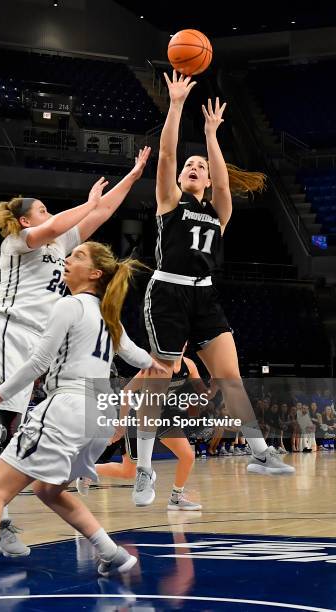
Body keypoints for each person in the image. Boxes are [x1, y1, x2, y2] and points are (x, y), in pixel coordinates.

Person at [0, 241, 166, 601]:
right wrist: (158, 364)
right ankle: (112, 554)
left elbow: (38, 363)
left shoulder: (70, 305)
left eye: (76, 256)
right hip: (97, 413)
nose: (67, 260)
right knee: (48, 489)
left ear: (94, 273)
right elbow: (137, 357)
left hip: (68, 407)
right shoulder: (107, 313)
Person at [0, 147, 151, 555]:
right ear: (25, 219)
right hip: (4, 335)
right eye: (44, 209)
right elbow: (70, 219)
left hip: (34, 341)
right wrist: (87, 203)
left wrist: (132, 177)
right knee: (0, 430)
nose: (51, 215)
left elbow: (99, 215)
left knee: (12, 431)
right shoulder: (18, 240)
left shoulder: (63, 241)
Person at [133, 71, 295, 505]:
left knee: (231, 376)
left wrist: (210, 135)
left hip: (204, 295)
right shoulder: (169, 202)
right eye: (191, 165)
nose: (194, 166)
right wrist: (177, 105)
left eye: (200, 166)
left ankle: (259, 451)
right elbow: (167, 153)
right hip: (167, 291)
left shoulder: (218, 211)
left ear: (206, 182)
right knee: (160, 378)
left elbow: (225, 184)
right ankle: (145, 468)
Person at [78, 347, 204, 510]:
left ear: (185, 343)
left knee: (187, 456)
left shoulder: (189, 365)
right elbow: (127, 391)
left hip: (165, 418)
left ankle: (176, 498)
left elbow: (200, 393)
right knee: (129, 472)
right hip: (140, 419)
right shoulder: (155, 366)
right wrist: (121, 425)